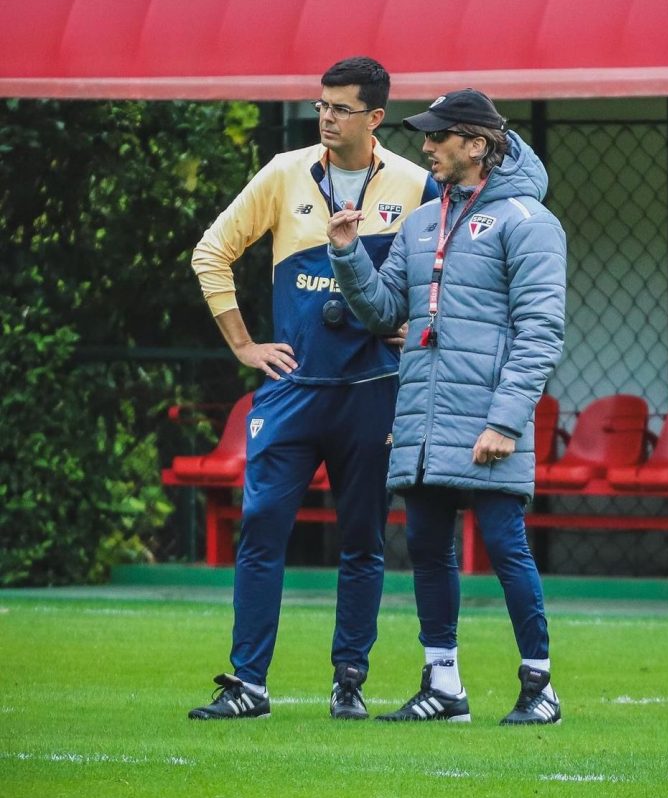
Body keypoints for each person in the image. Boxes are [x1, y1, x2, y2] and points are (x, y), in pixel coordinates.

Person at [187, 56, 438, 721]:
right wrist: (243, 344)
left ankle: (349, 680)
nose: (325, 116)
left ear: (375, 117)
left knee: (363, 541)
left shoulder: (415, 185)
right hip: (292, 389)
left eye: (341, 108)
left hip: (373, 390)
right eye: (321, 105)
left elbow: (451, 272)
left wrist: (417, 324)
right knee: (262, 529)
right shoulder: (283, 173)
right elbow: (211, 251)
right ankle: (248, 685)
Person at [327, 87, 567, 726]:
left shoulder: (528, 220)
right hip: (426, 424)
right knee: (428, 550)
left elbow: (540, 333)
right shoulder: (423, 222)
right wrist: (348, 255)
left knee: (506, 548)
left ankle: (539, 687)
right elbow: (384, 313)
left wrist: (505, 421)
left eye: (438, 136)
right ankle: (444, 687)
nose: (426, 147)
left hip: (487, 422)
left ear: (477, 144)